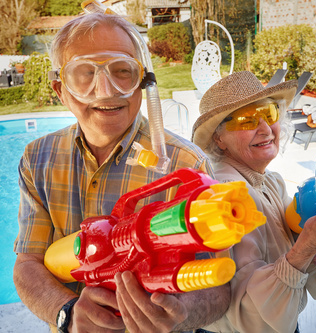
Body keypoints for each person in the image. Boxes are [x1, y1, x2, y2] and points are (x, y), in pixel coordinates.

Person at [13, 13, 230, 333]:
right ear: (61, 89)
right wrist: (67, 314)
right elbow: (28, 264)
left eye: (122, 72)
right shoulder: (38, 159)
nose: (105, 90)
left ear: (144, 83)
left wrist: (182, 311)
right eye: (85, 74)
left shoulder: (185, 165)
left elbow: (219, 287)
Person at [191, 71, 316, 333]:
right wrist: (309, 246)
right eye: (246, 120)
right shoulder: (226, 195)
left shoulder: (271, 181)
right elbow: (246, 314)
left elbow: (298, 248)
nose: (266, 129)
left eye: (269, 114)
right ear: (218, 139)